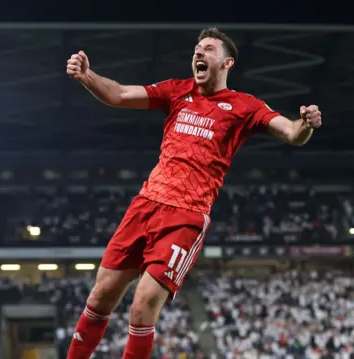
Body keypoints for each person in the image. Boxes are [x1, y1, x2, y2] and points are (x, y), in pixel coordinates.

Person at [64, 27, 322, 359]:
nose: (198, 54)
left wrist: (305, 124)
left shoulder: (244, 106)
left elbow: (290, 132)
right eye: (196, 49)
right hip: (145, 205)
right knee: (99, 298)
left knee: (142, 305)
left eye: (208, 49)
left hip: (184, 216)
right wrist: (88, 77)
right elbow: (120, 94)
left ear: (227, 62)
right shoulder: (176, 91)